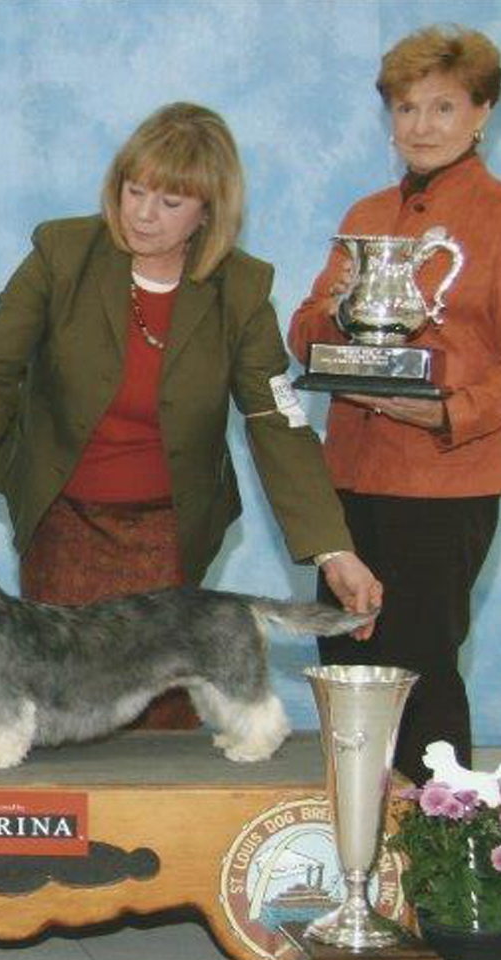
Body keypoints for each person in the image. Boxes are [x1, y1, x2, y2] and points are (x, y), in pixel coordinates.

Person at [0, 101, 381, 729]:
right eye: (133, 190)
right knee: (59, 710)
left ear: (209, 211)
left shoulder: (242, 288)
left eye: (170, 203)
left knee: (163, 723)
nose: (142, 214)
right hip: (65, 526)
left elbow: (276, 418)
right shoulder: (62, 252)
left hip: (169, 536)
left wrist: (333, 550)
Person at [288, 26, 501, 784]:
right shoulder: (368, 212)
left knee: (419, 668)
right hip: (346, 480)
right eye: (406, 108)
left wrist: (449, 412)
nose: (421, 126)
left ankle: (446, 875)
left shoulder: (497, 217)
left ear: (482, 112)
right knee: (342, 663)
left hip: (445, 482)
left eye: (443, 107)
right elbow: (306, 325)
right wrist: (342, 325)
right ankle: (352, 857)